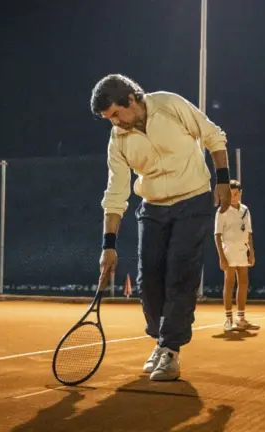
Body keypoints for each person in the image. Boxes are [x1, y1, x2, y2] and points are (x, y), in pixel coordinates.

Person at [91, 74, 232, 381]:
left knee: (180, 274)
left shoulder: (169, 104)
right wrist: (108, 246)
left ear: (131, 99)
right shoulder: (117, 140)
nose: (114, 123)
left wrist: (222, 180)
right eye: (108, 119)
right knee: (147, 281)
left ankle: (170, 350)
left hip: (193, 201)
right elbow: (115, 193)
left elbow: (213, 136)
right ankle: (162, 339)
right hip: (153, 207)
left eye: (116, 114)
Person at [214, 180, 259, 332]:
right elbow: (217, 235)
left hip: (242, 250)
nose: (234, 197)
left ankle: (241, 318)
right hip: (229, 250)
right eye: (231, 194)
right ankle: (228, 319)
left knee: (244, 282)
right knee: (229, 282)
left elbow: (249, 232)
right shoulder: (221, 211)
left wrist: (251, 252)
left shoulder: (245, 210)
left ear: (240, 193)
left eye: (236, 193)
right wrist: (222, 257)